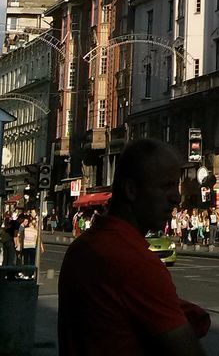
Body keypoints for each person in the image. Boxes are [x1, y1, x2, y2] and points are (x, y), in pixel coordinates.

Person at [57, 138, 209, 356]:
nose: (176, 197)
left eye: (176, 185)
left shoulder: (82, 246)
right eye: (166, 186)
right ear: (131, 189)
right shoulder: (135, 261)